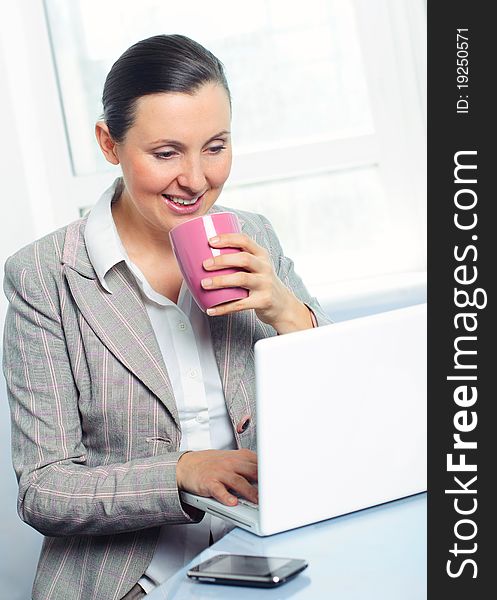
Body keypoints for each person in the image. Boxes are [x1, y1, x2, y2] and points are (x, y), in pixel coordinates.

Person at [2, 34, 331, 599]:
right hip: (129, 583)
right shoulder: (45, 277)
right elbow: (43, 489)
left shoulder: (253, 236)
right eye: (166, 153)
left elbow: (338, 408)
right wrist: (181, 473)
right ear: (110, 143)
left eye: (215, 146)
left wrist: (285, 310)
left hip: (270, 554)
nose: (197, 180)